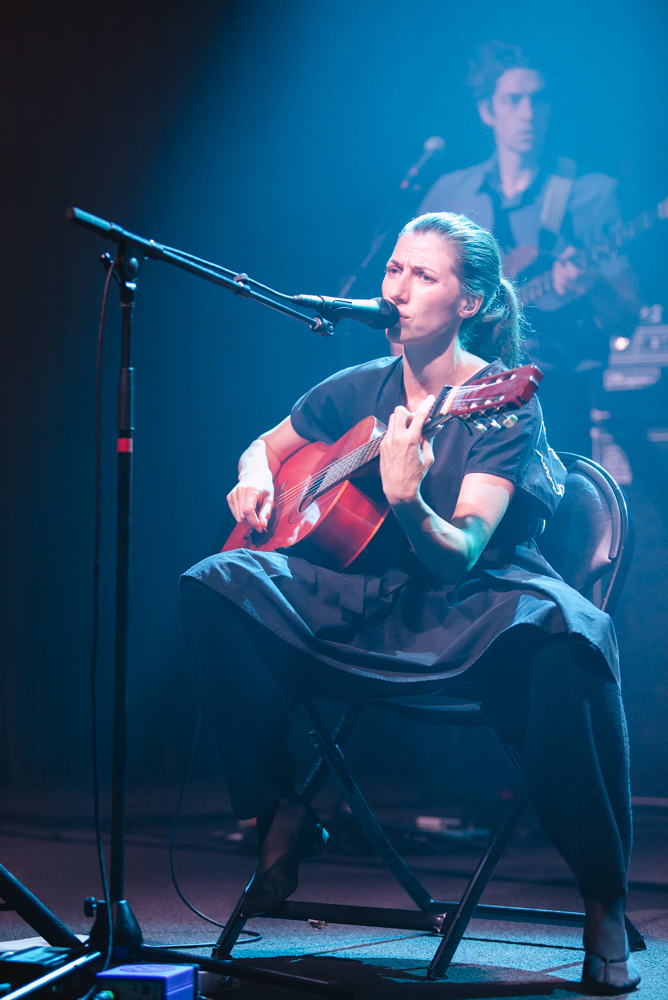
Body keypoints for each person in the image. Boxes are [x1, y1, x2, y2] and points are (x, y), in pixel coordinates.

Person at [181, 212, 639, 993]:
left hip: (471, 600)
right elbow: (266, 445)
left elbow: (458, 552)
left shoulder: (501, 401)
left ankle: (601, 895)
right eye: (395, 269)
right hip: (361, 601)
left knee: (570, 636)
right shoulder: (359, 385)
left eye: (423, 275)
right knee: (216, 583)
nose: (396, 288)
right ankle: (277, 812)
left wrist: (406, 500)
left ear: (473, 302)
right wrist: (256, 475)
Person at [417, 42, 639, 452]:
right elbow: (409, 295)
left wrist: (591, 288)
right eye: (513, 100)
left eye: (539, 100)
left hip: (555, 398)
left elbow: (627, 318)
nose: (528, 113)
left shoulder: (593, 195)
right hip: (459, 394)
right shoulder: (449, 192)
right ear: (487, 111)